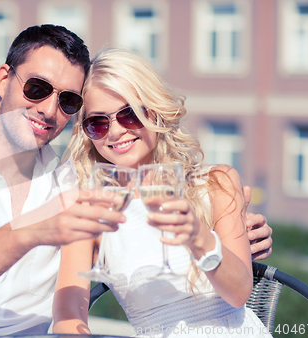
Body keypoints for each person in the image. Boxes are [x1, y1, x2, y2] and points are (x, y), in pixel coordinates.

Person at [0, 25, 271, 337]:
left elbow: (227, 268)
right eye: (37, 88)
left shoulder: (74, 185)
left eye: (67, 101)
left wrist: (228, 228)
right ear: (3, 80)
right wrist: (32, 230)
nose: (49, 109)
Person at [52, 48, 273, 337]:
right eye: (98, 123)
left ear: (154, 111)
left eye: (129, 114)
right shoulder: (92, 208)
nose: (116, 132)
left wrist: (198, 236)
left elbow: (239, 293)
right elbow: (68, 313)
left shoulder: (216, 182)